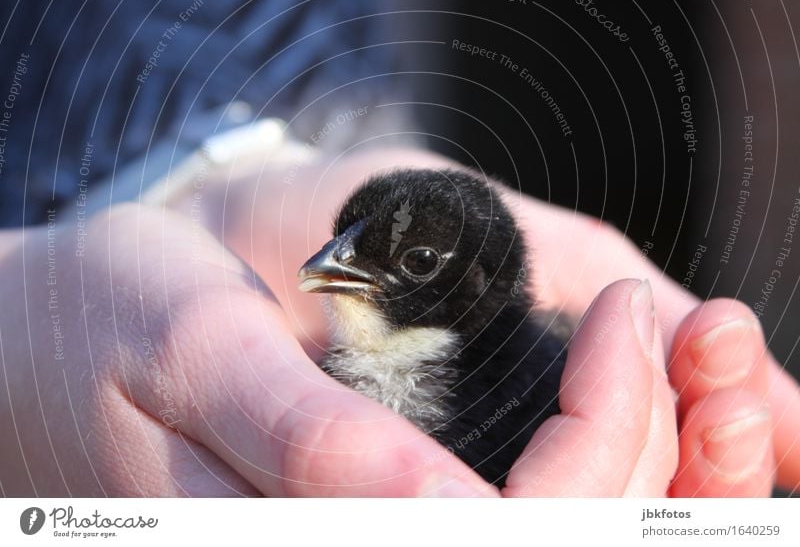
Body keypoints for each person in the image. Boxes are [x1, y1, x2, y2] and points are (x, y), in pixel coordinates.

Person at [0, 146, 798, 497]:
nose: (327, 260)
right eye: (344, 239)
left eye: (412, 265)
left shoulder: (534, 383)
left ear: (475, 292)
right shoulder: (315, 373)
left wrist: (210, 167)